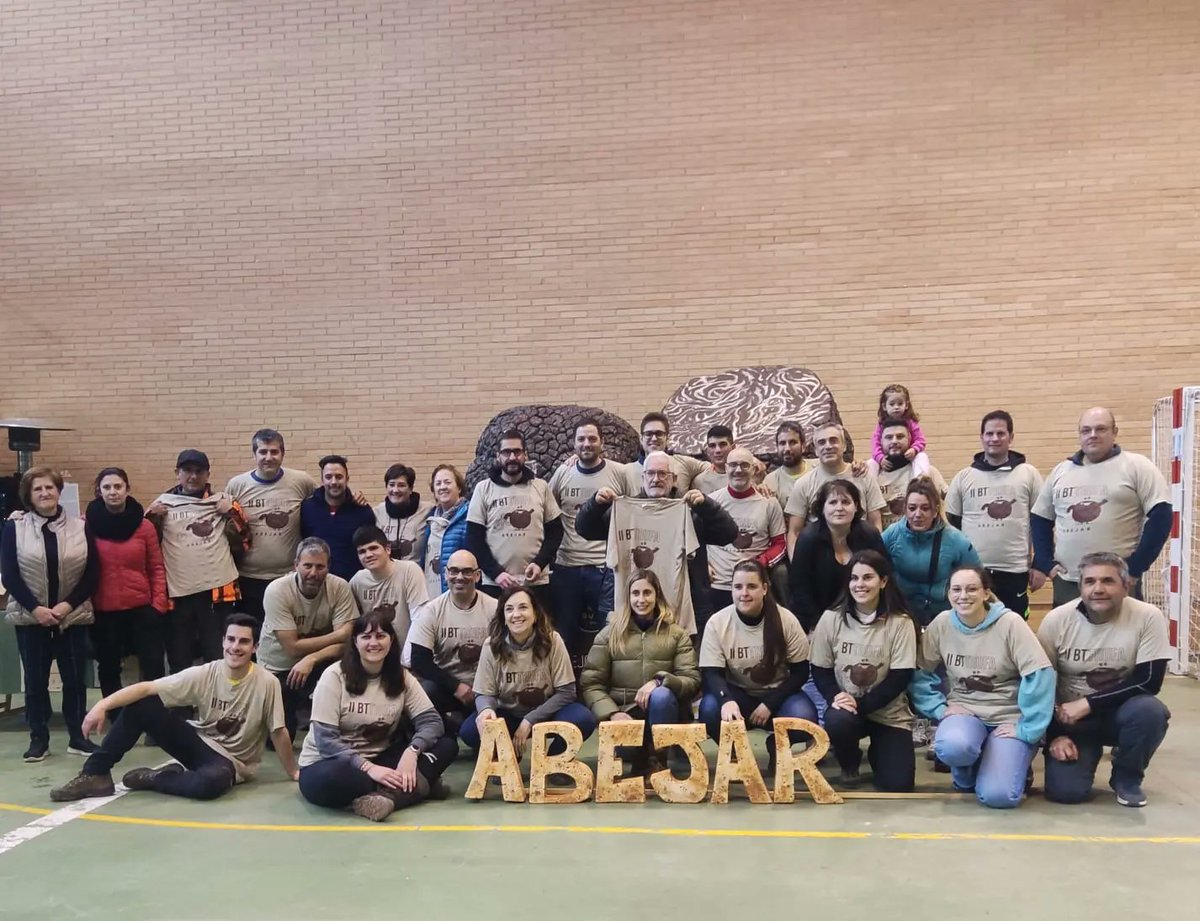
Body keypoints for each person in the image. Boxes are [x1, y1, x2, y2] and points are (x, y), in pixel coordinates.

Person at [49, 614, 297, 802]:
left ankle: (157, 778)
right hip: (199, 743)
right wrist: (101, 705)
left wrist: (293, 771)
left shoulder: (267, 682)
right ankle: (96, 774)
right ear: (222, 641)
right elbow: (147, 688)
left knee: (210, 785)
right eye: (231, 639)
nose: (235, 647)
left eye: (244, 642)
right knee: (144, 705)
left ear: (254, 647)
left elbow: (278, 731)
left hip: (231, 764)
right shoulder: (206, 673)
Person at [910, 565, 1054, 808]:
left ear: (986, 593)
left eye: (972, 589)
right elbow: (919, 671)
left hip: (1007, 718)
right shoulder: (942, 624)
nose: (963, 596)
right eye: (956, 589)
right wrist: (938, 708)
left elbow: (1041, 675)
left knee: (999, 797)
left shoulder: (1010, 623)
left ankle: (1013, 759)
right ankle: (966, 776)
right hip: (966, 713)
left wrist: (1028, 728)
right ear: (948, 594)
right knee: (953, 746)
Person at [1037, 552, 1172, 807]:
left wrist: (1088, 703)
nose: (1098, 589)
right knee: (1066, 793)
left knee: (1150, 711)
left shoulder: (1147, 617)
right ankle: (1083, 754)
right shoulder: (1057, 620)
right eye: (1090, 582)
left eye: (1108, 581)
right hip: (1071, 721)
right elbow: (1039, 684)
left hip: (1120, 715)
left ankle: (1127, 777)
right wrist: (1054, 735)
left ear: (1126, 585)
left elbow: (1149, 681)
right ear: (1080, 587)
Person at [297, 610, 457, 822]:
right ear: (354, 642)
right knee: (333, 780)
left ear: (391, 640)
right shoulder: (334, 676)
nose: (374, 643)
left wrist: (413, 751)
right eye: (366, 636)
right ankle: (418, 785)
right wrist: (369, 769)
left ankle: (388, 798)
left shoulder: (401, 676)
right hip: (331, 764)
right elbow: (325, 741)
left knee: (448, 745)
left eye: (381, 636)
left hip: (381, 758)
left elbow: (431, 722)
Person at [576, 450, 738, 637]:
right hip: (631, 607)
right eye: (651, 473)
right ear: (642, 477)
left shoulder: (688, 512)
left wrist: (707, 506)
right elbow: (584, 530)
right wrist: (596, 505)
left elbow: (729, 534)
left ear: (674, 478)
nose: (656, 479)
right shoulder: (624, 511)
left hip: (680, 608)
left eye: (663, 474)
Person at [1, 467, 98, 761]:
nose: (45, 493)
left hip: (71, 616)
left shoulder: (81, 527)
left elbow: (92, 573)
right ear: (29, 496)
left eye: (49, 488)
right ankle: (38, 739)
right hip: (32, 619)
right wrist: (36, 608)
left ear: (58, 491)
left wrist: (67, 606)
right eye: (37, 489)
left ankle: (78, 737)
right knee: (35, 680)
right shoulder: (14, 528)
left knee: (74, 680)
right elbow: (10, 574)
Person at [1031, 407, 1172, 606]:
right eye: (1086, 430)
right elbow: (1040, 518)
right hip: (1069, 582)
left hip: (1117, 581)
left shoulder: (1137, 466)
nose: (1093, 435)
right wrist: (1047, 563)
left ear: (1114, 432)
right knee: (1068, 636)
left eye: (1101, 429)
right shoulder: (1061, 471)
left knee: (1121, 636)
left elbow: (1162, 516)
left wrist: (1135, 567)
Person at [810, 550, 918, 790]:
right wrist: (834, 697)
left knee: (897, 785)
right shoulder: (831, 619)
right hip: (846, 709)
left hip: (887, 714)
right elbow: (820, 668)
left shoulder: (901, 622)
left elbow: (900, 677)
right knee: (837, 721)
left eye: (867, 577)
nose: (860, 584)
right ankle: (849, 761)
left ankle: (880, 753)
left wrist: (861, 705)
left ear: (883, 581)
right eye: (854, 578)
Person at [580, 569, 700, 776]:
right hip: (625, 716)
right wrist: (612, 713)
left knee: (661, 695)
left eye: (647, 593)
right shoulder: (609, 635)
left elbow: (692, 679)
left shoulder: (677, 634)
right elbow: (591, 683)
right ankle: (638, 757)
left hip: (666, 715)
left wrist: (659, 681)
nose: (641, 599)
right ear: (628, 598)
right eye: (636, 593)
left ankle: (657, 758)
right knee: (629, 750)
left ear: (657, 596)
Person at [698, 560, 816, 768]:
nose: (744, 593)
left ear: (764, 588)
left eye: (751, 586)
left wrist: (770, 703)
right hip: (738, 695)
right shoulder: (717, 623)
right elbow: (711, 674)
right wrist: (726, 700)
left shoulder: (786, 620)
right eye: (738, 587)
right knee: (709, 709)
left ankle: (777, 745)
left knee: (805, 718)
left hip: (778, 695)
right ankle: (738, 754)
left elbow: (800, 672)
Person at [459, 587, 597, 756]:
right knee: (470, 731)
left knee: (583, 719)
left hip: (547, 713)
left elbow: (567, 692)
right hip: (508, 714)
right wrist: (486, 710)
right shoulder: (491, 645)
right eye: (509, 609)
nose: (516, 614)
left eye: (523, 607)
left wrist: (530, 720)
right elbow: (483, 694)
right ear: (503, 616)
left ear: (535, 613)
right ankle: (507, 754)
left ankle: (553, 759)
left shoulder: (553, 640)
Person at [146, 449, 249, 673]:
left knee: (218, 653)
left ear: (208, 474)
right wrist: (153, 519)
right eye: (187, 471)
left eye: (199, 471)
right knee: (179, 655)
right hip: (177, 595)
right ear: (177, 473)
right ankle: (181, 707)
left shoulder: (224, 502)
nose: (193, 476)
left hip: (218, 592)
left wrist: (231, 513)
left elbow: (247, 538)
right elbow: (146, 547)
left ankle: (218, 703)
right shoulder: (160, 506)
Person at [258, 537, 359, 741]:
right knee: (278, 739)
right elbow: (292, 648)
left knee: (354, 664)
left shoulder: (339, 587)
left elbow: (347, 643)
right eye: (307, 566)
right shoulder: (277, 590)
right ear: (296, 565)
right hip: (279, 667)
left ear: (328, 566)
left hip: (319, 662)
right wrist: (338, 634)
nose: (313, 573)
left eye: (320, 567)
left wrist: (312, 658)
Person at [946, 410, 1045, 617]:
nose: (994, 438)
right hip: (973, 571)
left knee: (1013, 629)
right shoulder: (964, 477)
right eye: (989, 434)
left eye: (1001, 433)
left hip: (1014, 571)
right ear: (981, 437)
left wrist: (1040, 565)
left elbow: (1041, 522)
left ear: (1011, 438)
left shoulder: (1028, 474)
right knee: (971, 626)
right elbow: (953, 524)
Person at [548, 419, 627, 667]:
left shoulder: (619, 472)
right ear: (573, 443)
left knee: (608, 631)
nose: (586, 444)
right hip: (567, 566)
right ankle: (566, 687)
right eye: (581, 439)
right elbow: (547, 512)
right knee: (565, 632)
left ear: (601, 442)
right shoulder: (563, 472)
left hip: (604, 567)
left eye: (592, 438)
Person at [87, 467, 167, 705]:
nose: (113, 492)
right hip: (104, 611)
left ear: (127, 489)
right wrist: (20, 515)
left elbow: (157, 568)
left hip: (142, 610)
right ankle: (115, 715)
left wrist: (158, 606)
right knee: (109, 667)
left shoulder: (144, 527)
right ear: (99, 492)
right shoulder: (86, 525)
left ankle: (154, 716)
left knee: (153, 666)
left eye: (118, 486)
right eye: (107, 487)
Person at [225, 428, 317, 622]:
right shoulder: (237, 485)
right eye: (263, 452)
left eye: (274, 452)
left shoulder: (302, 481)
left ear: (283, 454)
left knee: (288, 631)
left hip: (288, 576)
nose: (269, 457)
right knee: (252, 636)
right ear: (254, 454)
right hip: (248, 578)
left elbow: (327, 503)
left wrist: (354, 498)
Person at [466, 430, 563, 607]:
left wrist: (539, 563)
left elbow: (556, 532)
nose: (512, 457)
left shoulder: (540, 487)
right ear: (498, 456)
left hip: (536, 583)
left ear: (525, 455)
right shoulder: (483, 489)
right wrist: (496, 573)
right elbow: (474, 539)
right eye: (506, 452)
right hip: (496, 584)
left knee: (538, 632)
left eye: (517, 452)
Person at [408, 550, 497, 730]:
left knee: (477, 739)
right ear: (446, 573)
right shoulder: (431, 611)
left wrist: (484, 691)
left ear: (478, 575)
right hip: (448, 687)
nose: (459, 577)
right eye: (454, 571)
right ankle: (448, 729)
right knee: (425, 692)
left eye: (467, 571)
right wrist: (456, 687)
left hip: (486, 690)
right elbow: (419, 660)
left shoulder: (495, 608)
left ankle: (468, 727)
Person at [789, 479, 888, 634]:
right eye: (833, 502)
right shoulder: (808, 538)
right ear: (822, 508)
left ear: (856, 506)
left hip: (863, 615)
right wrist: (817, 625)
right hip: (817, 618)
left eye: (845, 502)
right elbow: (800, 588)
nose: (839, 508)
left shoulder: (869, 534)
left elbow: (886, 576)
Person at [882, 478, 981, 627]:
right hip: (900, 618)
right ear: (905, 509)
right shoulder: (891, 535)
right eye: (912, 508)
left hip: (943, 620)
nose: (917, 514)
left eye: (925, 508)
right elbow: (869, 566)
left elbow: (980, 579)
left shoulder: (956, 540)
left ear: (935, 511)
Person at [785, 422, 886, 556]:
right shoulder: (803, 484)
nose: (828, 446)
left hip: (860, 556)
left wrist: (872, 560)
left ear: (844, 446)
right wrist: (798, 564)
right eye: (822, 442)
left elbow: (875, 523)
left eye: (833, 440)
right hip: (819, 558)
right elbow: (794, 532)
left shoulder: (864, 477)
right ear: (815, 450)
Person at [706, 447, 786, 613]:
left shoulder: (769, 502)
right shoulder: (711, 502)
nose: (738, 470)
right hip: (718, 584)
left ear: (754, 469)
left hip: (753, 585)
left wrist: (761, 562)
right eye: (733, 465)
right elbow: (694, 542)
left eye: (744, 465)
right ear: (726, 468)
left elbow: (780, 544)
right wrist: (703, 564)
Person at [348, 525, 428, 650]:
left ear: (388, 549)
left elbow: (420, 619)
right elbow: (354, 626)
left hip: (407, 651)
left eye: (373, 548)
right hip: (374, 652)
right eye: (362, 551)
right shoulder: (357, 581)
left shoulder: (409, 570)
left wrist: (409, 658)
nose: (368, 555)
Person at [300, 455, 376, 580]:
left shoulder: (363, 511)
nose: (334, 482)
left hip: (352, 583)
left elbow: (369, 549)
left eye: (339, 477)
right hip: (316, 582)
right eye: (328, 477)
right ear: (322, 480)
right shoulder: (307, 509)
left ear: (347, 479)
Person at [875, 418, 948, 530]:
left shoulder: (927, 472)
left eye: (900, 436)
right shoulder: (872, 475)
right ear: (880, 441)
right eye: (889, 437)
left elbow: (947, 507)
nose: (894, 441)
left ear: (909, 439)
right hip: (887, 544)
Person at [622, 412, 709, 496]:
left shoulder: (684, 464)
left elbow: (714, 469)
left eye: (659, 434)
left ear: (667, 438)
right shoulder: (626, 472)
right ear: (641, 439)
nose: (654, 438)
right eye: (648, 434)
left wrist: (696, 486)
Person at [418, 463, 470, 597]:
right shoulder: (430, 519)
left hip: (459, 591)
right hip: (432, 591)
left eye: (447, 482)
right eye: (438, 483)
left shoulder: (470, 514)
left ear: (459, 487)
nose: (443, 487)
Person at [373, 463, 433, 562]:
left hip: (415, 574)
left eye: (401, 485)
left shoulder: (428, 511)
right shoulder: (377, 512)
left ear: (410, 489)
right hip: (386, 575)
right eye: (391, 485)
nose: (395, 490)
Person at [867, 384, 930, 477]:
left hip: (908, 455)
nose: (896, 407)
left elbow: (920, 440)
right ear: (884, 406)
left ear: (906, 405)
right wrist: (880, 458)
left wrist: (914, 449)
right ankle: (869, 487)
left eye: (900, 404)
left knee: (922, 456)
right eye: (892, 404)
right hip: (888, 457)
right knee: (871, 462)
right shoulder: (881, 425)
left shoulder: (911, 423)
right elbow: (875, 443)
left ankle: (920, 480)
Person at [763, 422, 809, 515]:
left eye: (793, 442)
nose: (787, 448)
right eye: (782, 443)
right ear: (777, 447)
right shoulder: (770, 481)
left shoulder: (818, 468)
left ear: (803, 446)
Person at [692, 425, 735, 494]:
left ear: (733, 447)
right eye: (712, 446)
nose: (718, 450)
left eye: (723, 444)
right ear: (707, 450)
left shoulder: (746, 475)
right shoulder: (699, 482)